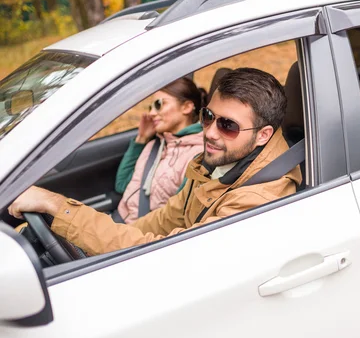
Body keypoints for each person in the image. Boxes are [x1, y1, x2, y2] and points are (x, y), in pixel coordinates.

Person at [8, 68, 302, 256]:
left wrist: (61, 209)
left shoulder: (256, 198)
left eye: (228, 125)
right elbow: (162, 221)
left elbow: (166, 252)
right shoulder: (220, 162)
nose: (209, 132)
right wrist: (86, 234)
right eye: (208, 117)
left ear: (263, 135)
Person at [114, 77, 206, 224]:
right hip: (118, 220)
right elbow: (121, 185)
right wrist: (141, 139)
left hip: (140, 236)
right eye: (150, 107)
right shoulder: (155, 145)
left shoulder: (197, 155)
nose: (151, 113)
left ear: (187, 107)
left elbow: (176, 216)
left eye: (159, 104)